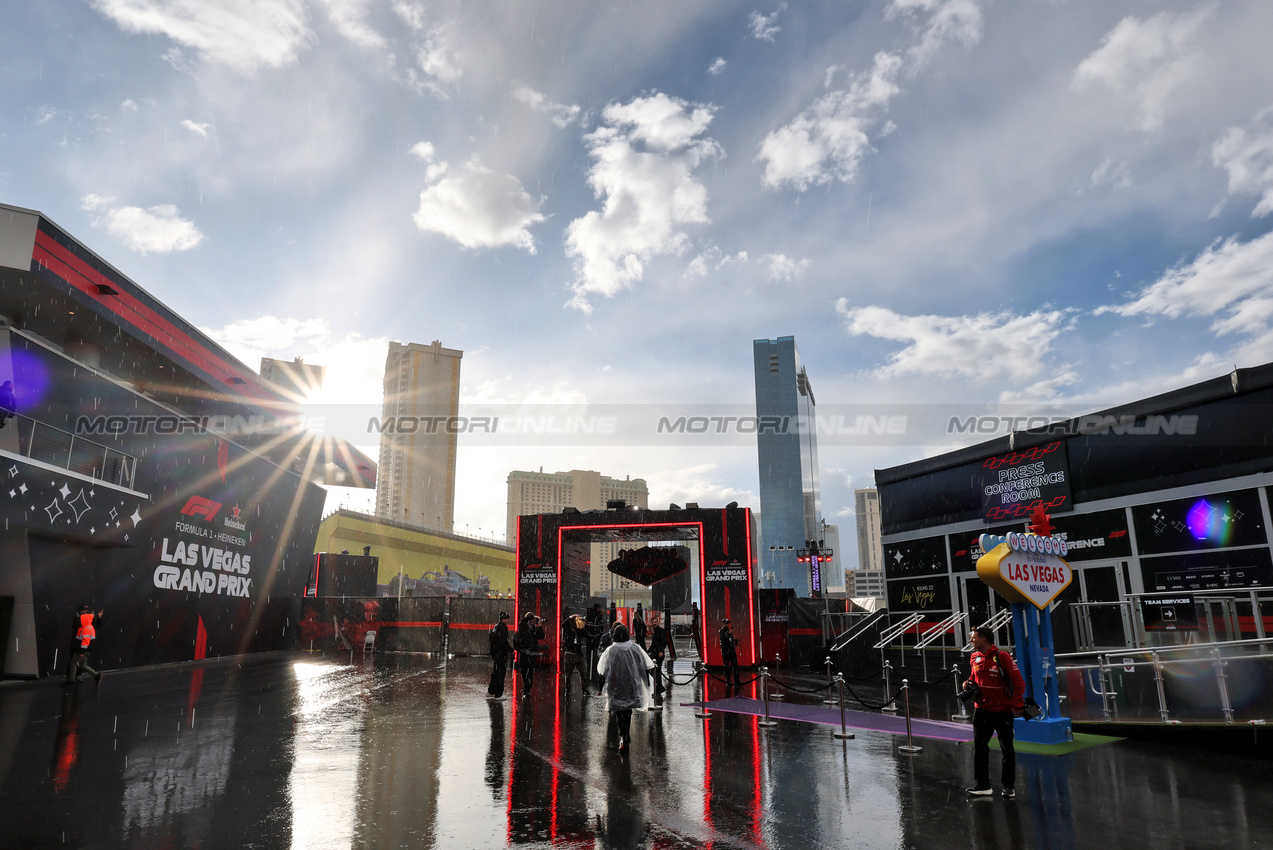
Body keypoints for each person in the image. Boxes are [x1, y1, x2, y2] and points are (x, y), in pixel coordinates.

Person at [965, 626, 1025, 798]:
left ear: (984, 640)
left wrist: (1016, 703)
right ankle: (983, 785)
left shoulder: (1002, 656)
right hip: (981, 710)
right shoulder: (974, 657)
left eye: (974, 637)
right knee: (980, 747)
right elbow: (973, 677)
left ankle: (1008, 786)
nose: (971, 640)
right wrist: (968, 684)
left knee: (1007, 749)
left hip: (1002, 710)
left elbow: (1019, 682)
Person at [596, 623, 655, 753]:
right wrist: (646, 683)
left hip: (615, 685)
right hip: (631, 684)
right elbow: (643, 666)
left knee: (619, 711)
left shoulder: (611, 651)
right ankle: (625, 735)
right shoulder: (635, 648)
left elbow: (604, 670)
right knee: (627, 711)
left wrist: (601, 686)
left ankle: (623, 735)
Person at [65, 606, 103, 686]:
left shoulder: (86, 628)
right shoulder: (87, 626)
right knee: (82, 665)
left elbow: (85, 640)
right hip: (85, 648)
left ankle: (71, 680)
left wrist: (81, 651)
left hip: (83, 648)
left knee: (73, 663)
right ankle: (96, 675)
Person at [647, 615, 677, 708]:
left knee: (656, 670)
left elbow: (664, 641)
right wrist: (648, 652)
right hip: (654, 653)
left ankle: (659, 687)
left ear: (658, 622)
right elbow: (653, 644)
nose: (654, 623)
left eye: (656, 622)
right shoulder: (654, 631)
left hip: (659, 654)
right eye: (653, 622)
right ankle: (659, 686)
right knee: (653, 670)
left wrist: (660, 650)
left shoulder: (661, 631)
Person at [560, 612, 590, 700]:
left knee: (583, 673)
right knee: (568, 674)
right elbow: (563, 624)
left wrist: (583, 625)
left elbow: (587, 634)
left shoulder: (579, 630)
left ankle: (585, 690)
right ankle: (568, 690)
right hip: (570, 653)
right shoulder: (568, 629)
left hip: (578, 654)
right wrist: (571, 617)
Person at [514, 612, 545, 698]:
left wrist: (540, 626)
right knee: (524, 671)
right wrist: (531, 617)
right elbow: (522, 624)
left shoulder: (534, 628)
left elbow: (541, 636)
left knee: (530, 672)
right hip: (524, 652)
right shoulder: (523, 627)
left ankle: (527, 688)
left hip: (532, 652)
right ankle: (526, 686)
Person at [487, 611, 513, 699]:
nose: (508, 621)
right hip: (501, 653)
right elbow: (504, 642)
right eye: (508, 619)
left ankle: (491, 691)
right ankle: (498, 694)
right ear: (504, 619)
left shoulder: (496, 627)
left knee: (495, 672)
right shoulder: (502, 628)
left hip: (496, 653)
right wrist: (511, 650)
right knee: (501, 674)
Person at [718, 618, 739, 688]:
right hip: (725, 651)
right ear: (723, 624)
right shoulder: (722, 631)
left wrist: (734, 641)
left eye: (728, 623)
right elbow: (723, 639)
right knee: (726, 666)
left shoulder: (728, 631)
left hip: (731, 651)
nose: (727, 625)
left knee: (735, 666)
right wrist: (729, 634)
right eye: (726, 623)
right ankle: (728, 680)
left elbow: (730, 640)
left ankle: (736, 680)